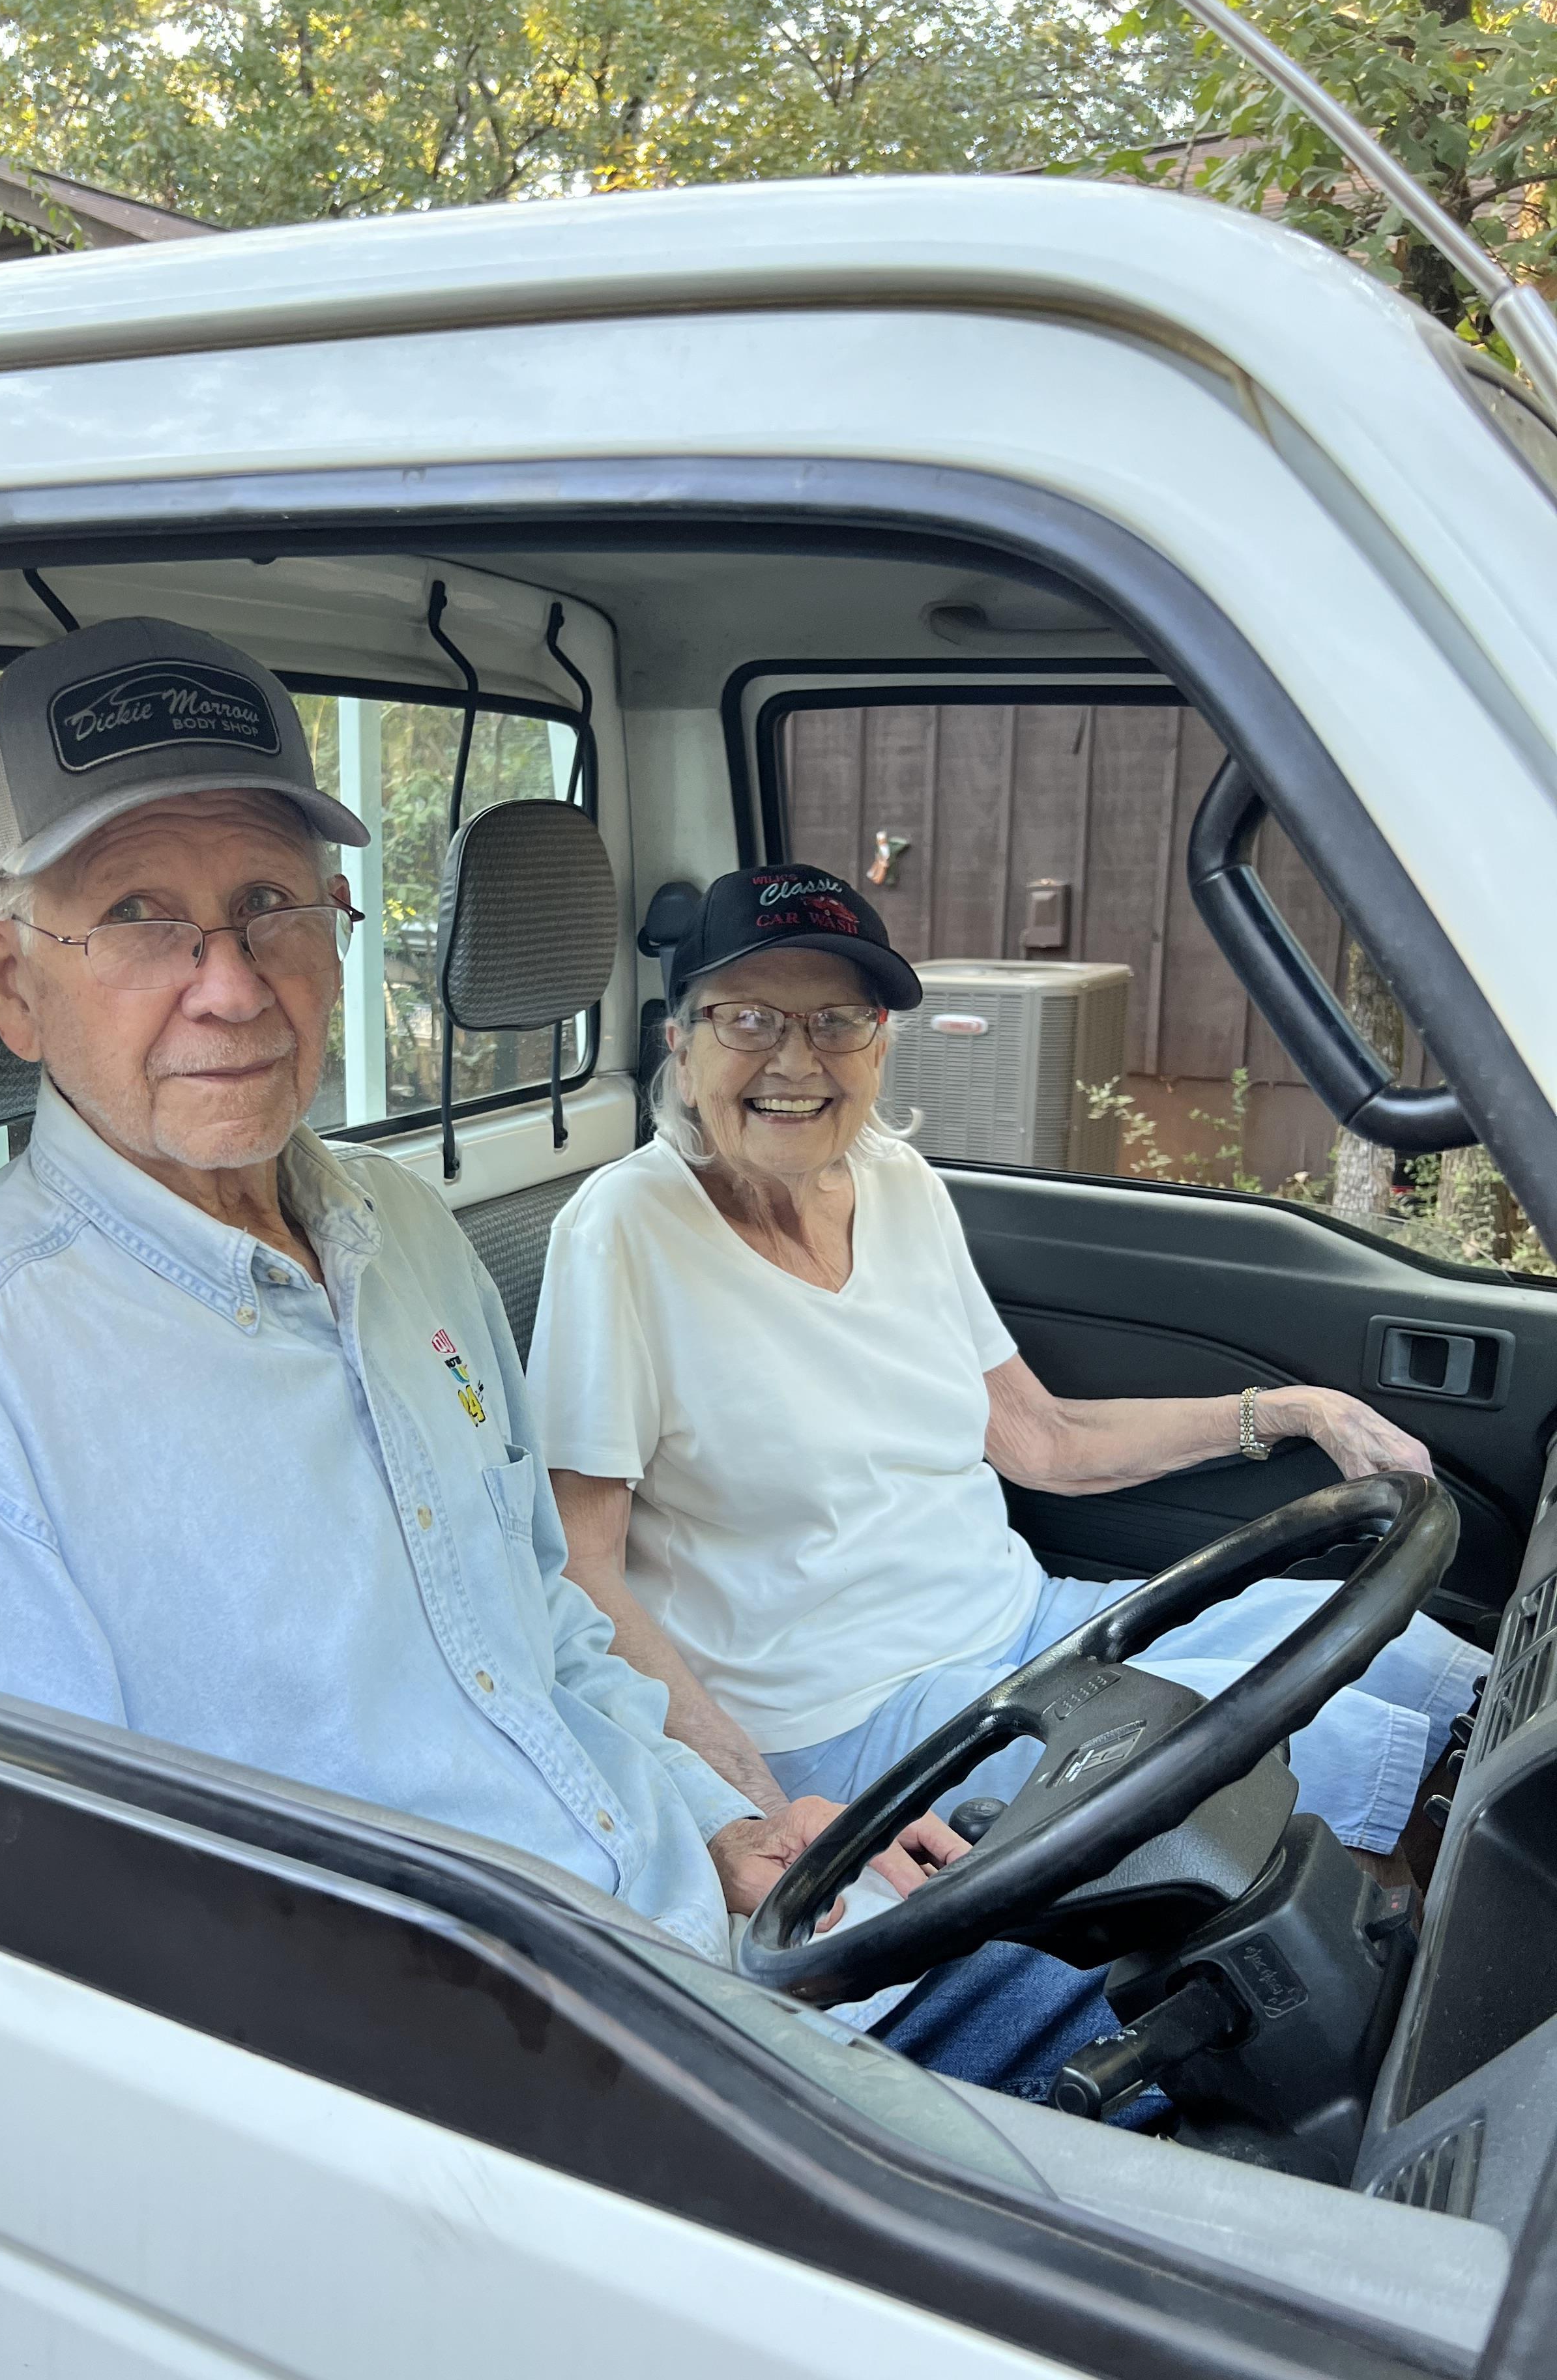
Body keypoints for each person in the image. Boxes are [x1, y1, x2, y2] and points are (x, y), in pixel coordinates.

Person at [0, 618, 951, 1982]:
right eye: (139, 917)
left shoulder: (405, 1231)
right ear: (10, 979)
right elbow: (46, 1983)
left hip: (697, 1943)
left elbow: (541, 1610)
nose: (232, 984)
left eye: (275, 902)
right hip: (496, 2094)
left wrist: (731, 1825)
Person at [528, 864, 1486, 2104]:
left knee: (1402, 1647)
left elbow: (1033, 1439)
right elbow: (581, 1568)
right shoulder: (624, 1231)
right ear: (681, 1038)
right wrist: (772, 1809)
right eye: (750, 1017)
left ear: (879, 1041)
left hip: (1026, 1624)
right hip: (851, 1710)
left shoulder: (900, 1184)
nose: (795, 1058)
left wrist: (1287, 1413)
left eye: (837, 1021)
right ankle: (1402, 2073)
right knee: (1320, 1751)